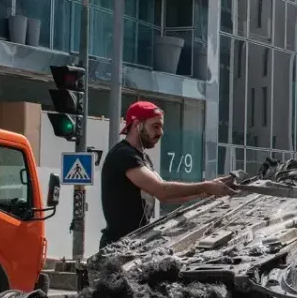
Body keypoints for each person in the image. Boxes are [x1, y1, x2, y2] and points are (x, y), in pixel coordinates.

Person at [100, 101, 237, 248]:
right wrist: (206, 186)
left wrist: (207, 191)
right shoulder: (124, 155)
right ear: (137, 125)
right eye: (155, 126)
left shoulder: (142, 158)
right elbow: (162, 191)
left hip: (132, 244)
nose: (160, 133)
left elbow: (168, 196)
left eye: (161, 127)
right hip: (118, 246)